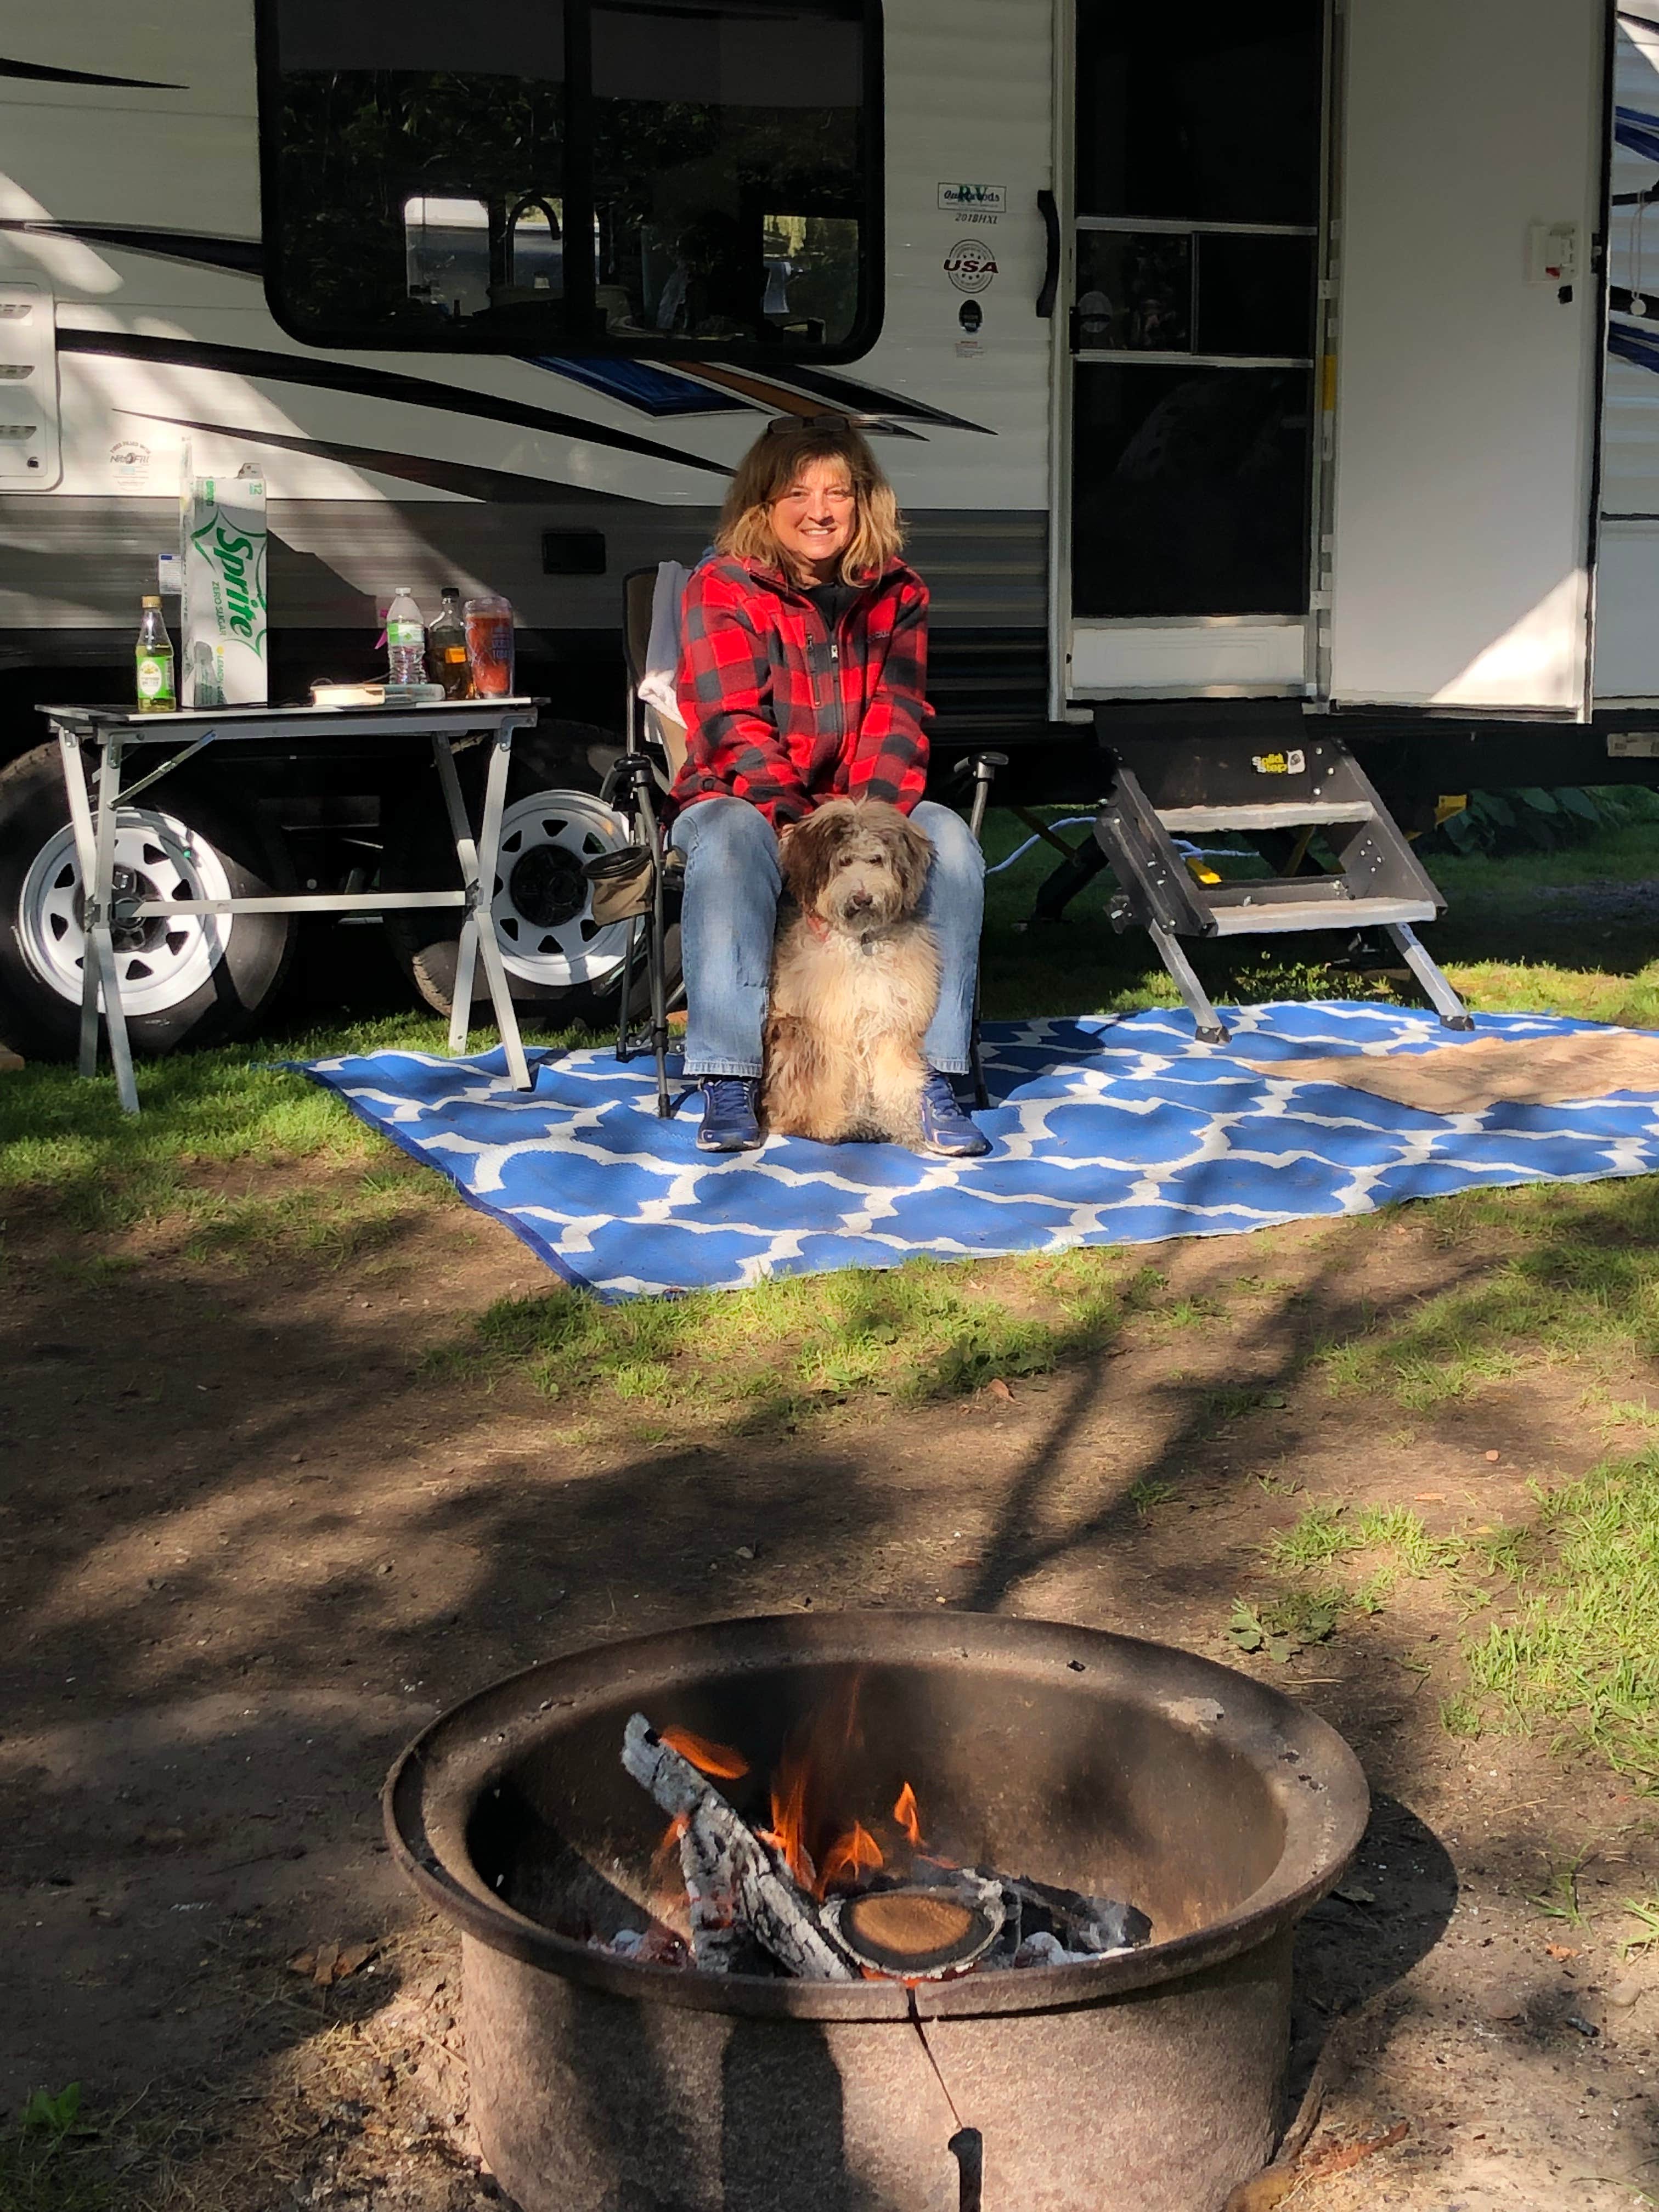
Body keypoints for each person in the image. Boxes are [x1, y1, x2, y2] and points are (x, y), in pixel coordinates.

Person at [669, 414, 989, 1157]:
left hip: (863, 802)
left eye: (837, 493)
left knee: (952, 844)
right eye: (798, 493)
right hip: (744, 796)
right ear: (763, 503)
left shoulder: (899, 592)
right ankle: (729, 1075)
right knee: (728, 840)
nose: (819, 511)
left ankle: (933, 1074)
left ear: (863, 501)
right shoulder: (722, 587)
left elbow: (898, 716)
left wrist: (862, 826)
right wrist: (801, 834)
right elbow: (729, 723)